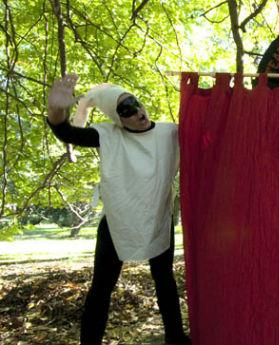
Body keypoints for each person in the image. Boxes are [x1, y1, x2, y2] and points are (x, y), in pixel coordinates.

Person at [46, 74, 191, 345]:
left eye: (135, 103)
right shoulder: (108, 136)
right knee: (101, 288)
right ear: (116, 117)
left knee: (165, 283)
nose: (137, 111)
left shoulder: (170, 133)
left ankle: (175, 338)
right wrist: (56, 110)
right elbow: (66, 132)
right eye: (126, 109)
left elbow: (209, 134)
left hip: (157, 219)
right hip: (117, 224)